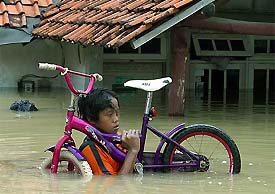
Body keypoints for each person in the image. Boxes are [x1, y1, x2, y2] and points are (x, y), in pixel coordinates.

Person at [78, 88, 140, 175]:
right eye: (109, 114)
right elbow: (115, 185)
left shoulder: (119, 136)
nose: (116, 119)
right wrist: (133, 150)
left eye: (117, 113)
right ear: (91, 118)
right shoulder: (91, 148)